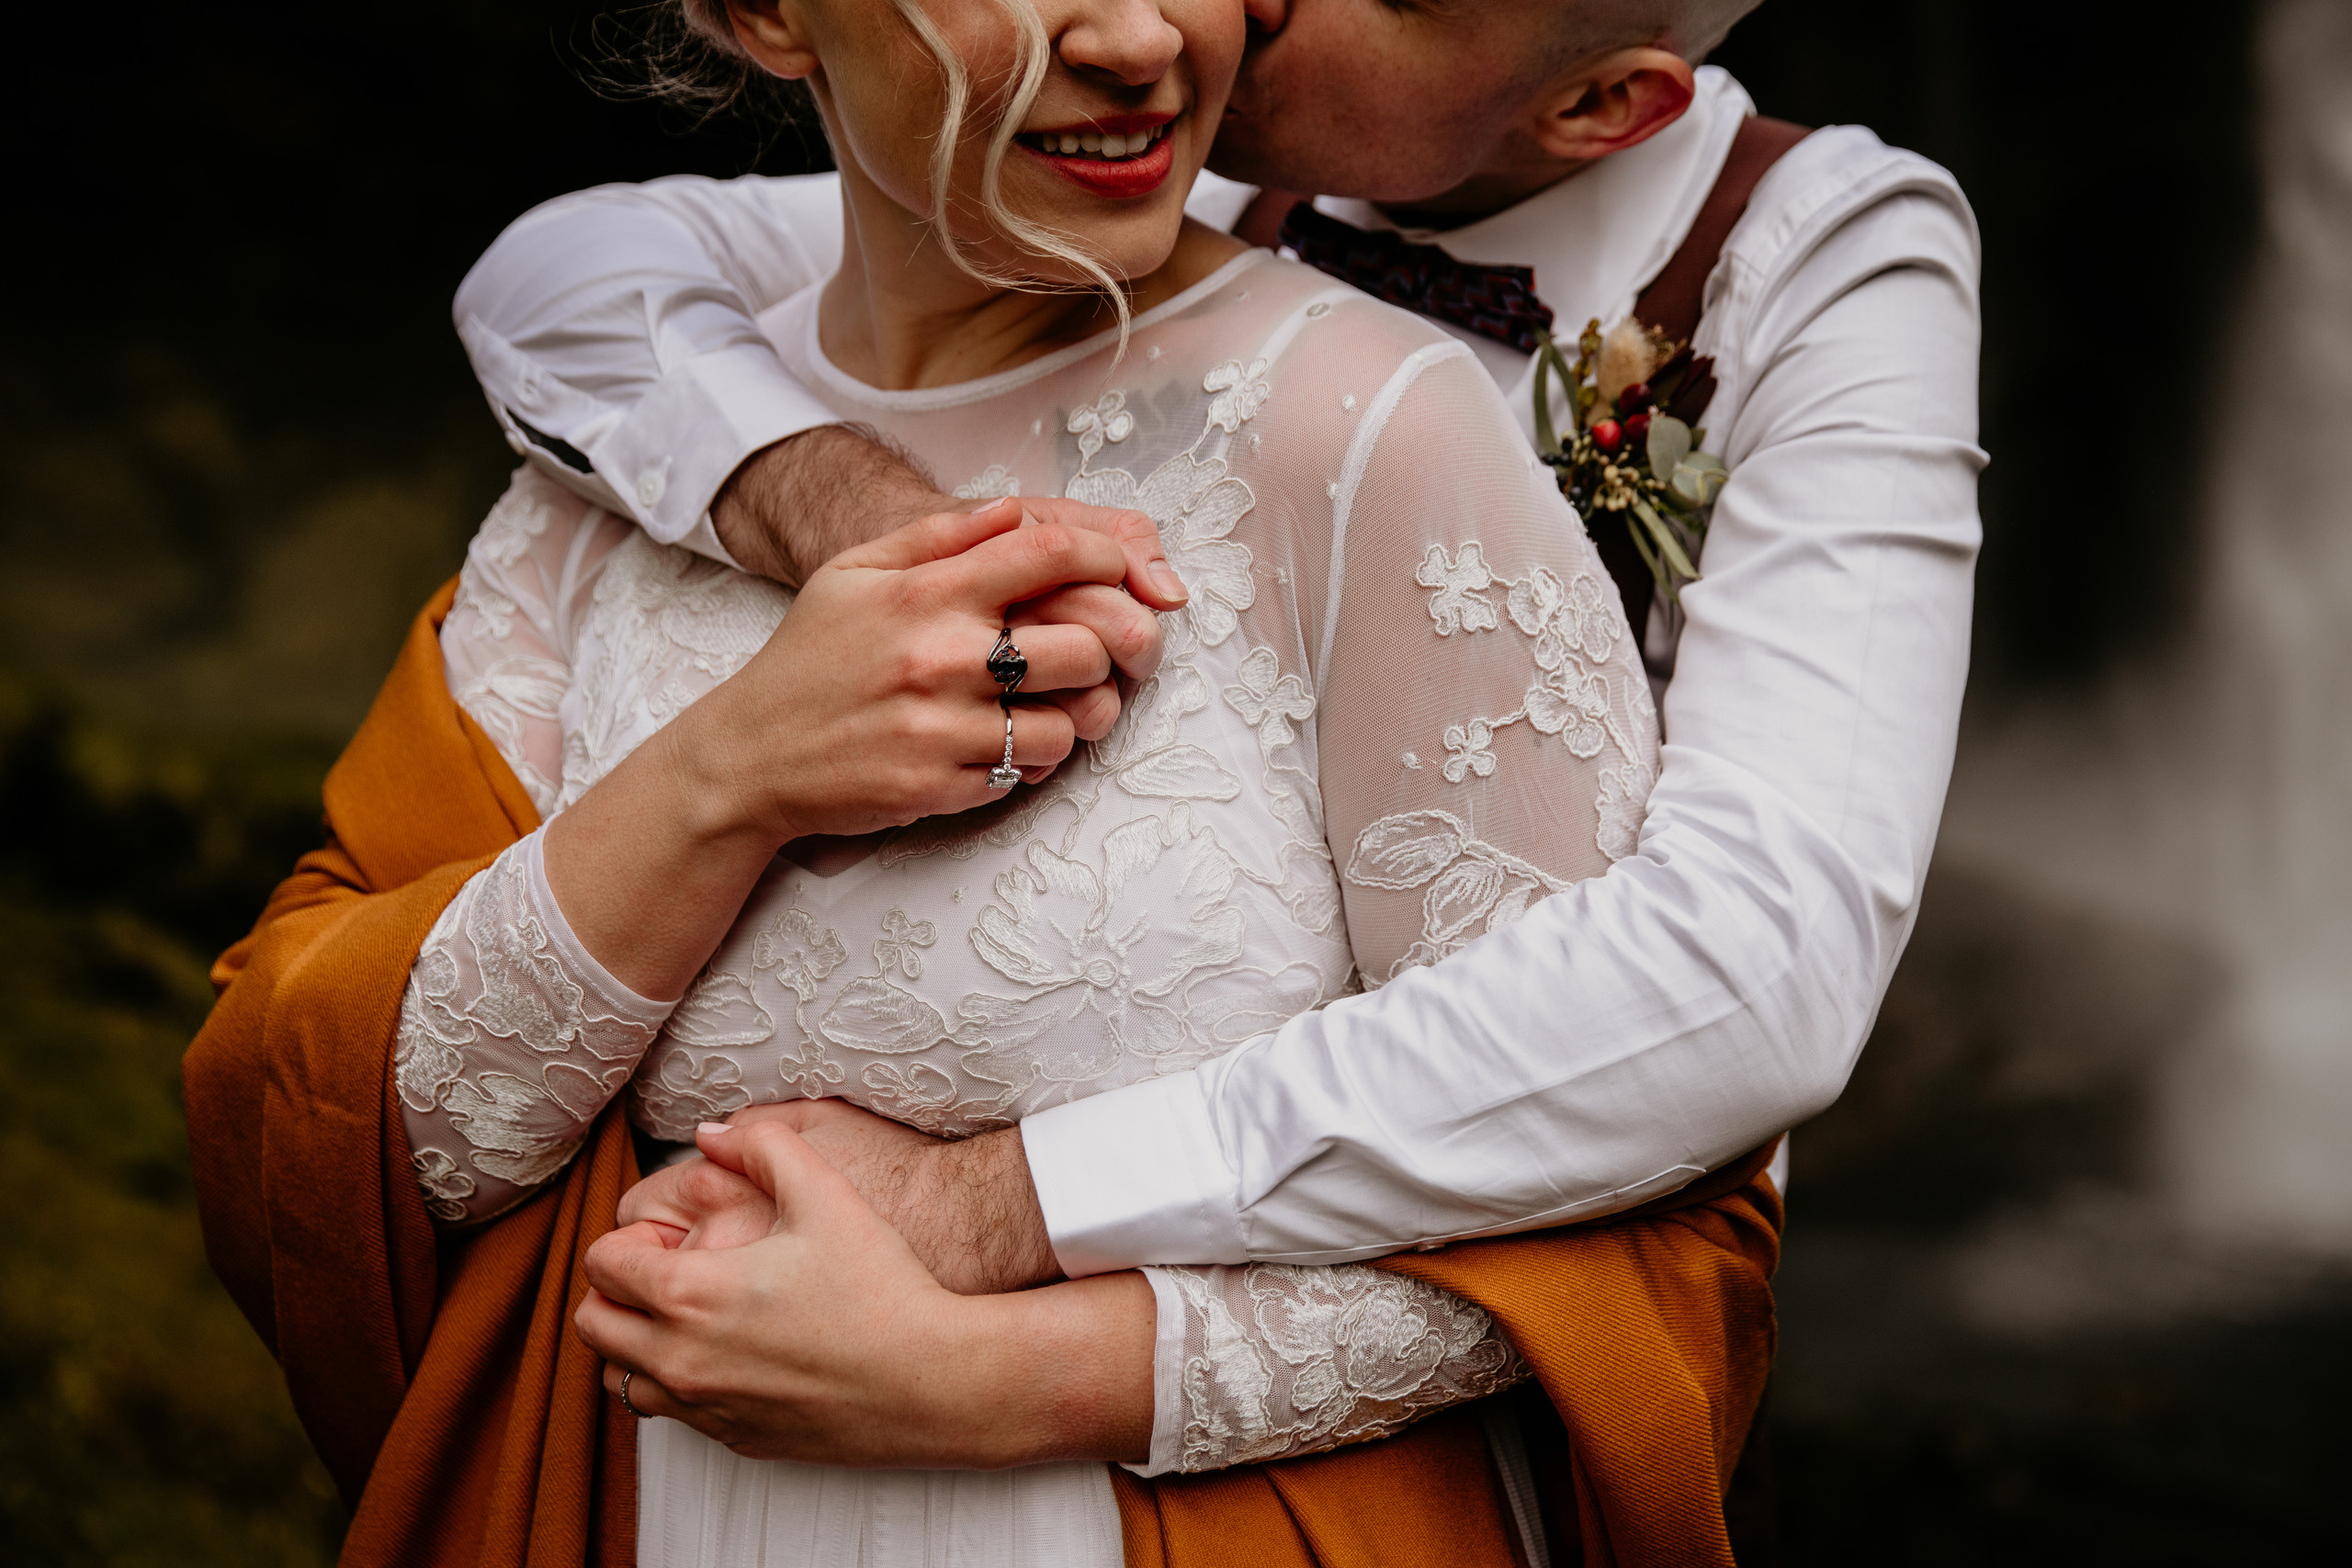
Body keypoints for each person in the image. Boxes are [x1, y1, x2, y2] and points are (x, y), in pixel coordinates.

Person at [458, 0, 1980, 1369]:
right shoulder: (1140, 148)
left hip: (1530, 1249)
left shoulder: (1828, 257)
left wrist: (1008, 1206)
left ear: (1599, 111)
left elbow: (1760, 970)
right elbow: (570, 273)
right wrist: (846, 510)